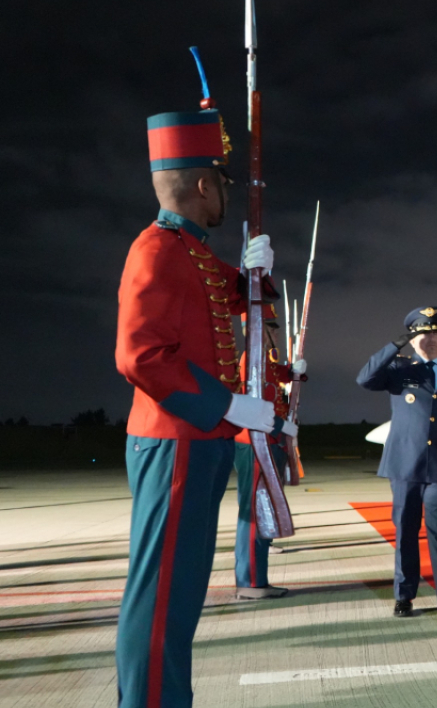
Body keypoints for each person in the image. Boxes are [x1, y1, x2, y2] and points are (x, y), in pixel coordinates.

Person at [116, 87, 291, 708]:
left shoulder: (190, 251)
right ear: (200, 186)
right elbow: (140, 355)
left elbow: (236, 294)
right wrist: (227, 405)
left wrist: (257, 271)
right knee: (162, 596)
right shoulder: (157, 249)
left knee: (181, 592)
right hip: (176, 443)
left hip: (197, 444)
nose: (226, 194)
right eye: (221, 183)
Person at [357, 306, 437, 625]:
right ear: (412, 338)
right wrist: (394, 345)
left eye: (436, 332)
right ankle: (404, 594)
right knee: (406, 531)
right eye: (423, 333)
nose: (430, 338)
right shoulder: (398, 367)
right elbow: (365, 378)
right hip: (405, 466)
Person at [232, 338, 305, 600]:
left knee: (263, 510)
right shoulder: (251, 358)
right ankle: (250, 582)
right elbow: (250, 402)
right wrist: (280, 426)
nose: (270, 335)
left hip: (269, 442)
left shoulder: (264, 359)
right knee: (255, 511)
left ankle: (255, 579)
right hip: (256, 441)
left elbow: (274, 377)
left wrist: (293, 371)